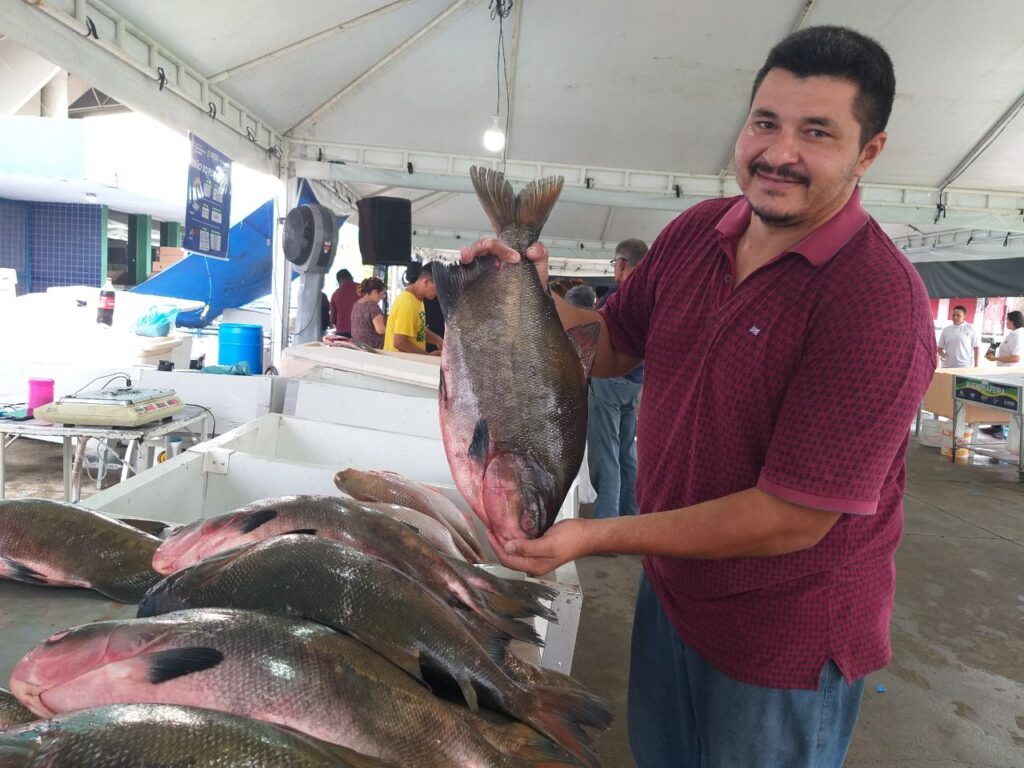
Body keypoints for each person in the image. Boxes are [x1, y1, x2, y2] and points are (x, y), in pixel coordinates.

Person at [458, 26, 936, 768]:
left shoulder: (877, 305)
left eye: (817, 133)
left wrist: (592, 536)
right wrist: (527, 286)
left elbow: (791, 520)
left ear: (868, 152)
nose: (778, 153)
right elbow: (610, 346)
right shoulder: (694, 234)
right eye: (765, 123)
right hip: (676, 597)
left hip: (784, 639)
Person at [587, 239, 648, 521]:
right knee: (626, 449)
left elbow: (595, 339)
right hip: (637, 382)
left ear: (621, 265)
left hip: (610, 381)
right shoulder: (652, 294)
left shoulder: (617, 298)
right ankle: (630, 513)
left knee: (606, 450)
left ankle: (606, 520)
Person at [383, 262, 444, 355]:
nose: (439, 293)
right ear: (426, 282)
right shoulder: (407, 303)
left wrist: (438, 340)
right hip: (400, 365)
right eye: (438, 288)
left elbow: (418, 329)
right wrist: (427, 356)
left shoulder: (417, 300)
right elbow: (399, 342)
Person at [349, 277, 387, 349]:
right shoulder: (372, 306)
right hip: (372, 348)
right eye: (382, 294)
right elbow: (380, 330)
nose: (382, 298)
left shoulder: (356, 304)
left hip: (358, 345)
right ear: (375, 292)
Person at [329, 269, 359, 337]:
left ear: (340, 280)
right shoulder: (362, 289)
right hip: (360, 331)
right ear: (351, 277)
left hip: (342, 332)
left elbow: (332, 319)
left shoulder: (335, 294)